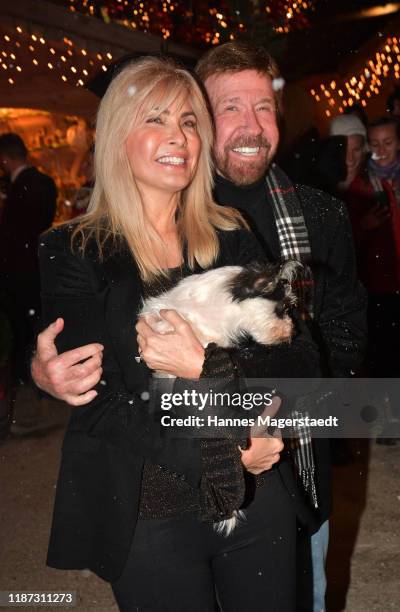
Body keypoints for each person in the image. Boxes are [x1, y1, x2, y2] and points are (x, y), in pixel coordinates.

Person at [32, 44, 367, 611]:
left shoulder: (229, 234)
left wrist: (206, 368)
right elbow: (110, 404)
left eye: (189, 121)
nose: (179, 136)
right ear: (117, 135)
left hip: (260, 497)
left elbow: (300, 362)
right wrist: (231, 449)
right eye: (156, 118)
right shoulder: (73, 249)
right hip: (148, 512)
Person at [0, 132, 56, 386]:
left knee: (21, 327)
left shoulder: (16, 188)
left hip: (16, 270)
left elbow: (11, 235)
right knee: (38, 325)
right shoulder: (45, 181)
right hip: (40, 264)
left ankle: (26, 377)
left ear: (5, 160)